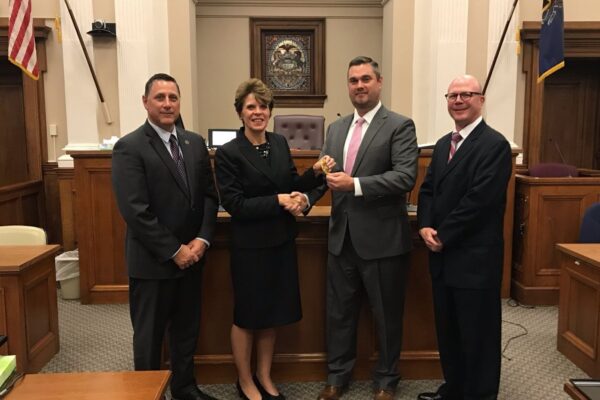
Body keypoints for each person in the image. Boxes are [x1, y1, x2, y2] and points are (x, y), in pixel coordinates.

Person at [214, 78, 335, 400]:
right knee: (247, 316)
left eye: (263, 106)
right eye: (251, 106)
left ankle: (264, 376)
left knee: (272, 315)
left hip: (281, 242)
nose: (258, 112)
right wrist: (280, 200)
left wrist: (315, 174)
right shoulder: (228, 153)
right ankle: (245, 381)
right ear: (240, 111)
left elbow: (291, 181)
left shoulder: (279, 143)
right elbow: (235, 205)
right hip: (250, 246)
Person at [309, 56, 418, 400]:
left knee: (386, 316)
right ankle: (337, 375)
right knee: (338, 313)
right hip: (341, 239)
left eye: (366, 79)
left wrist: (355, 184)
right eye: (353, 80)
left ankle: (387, 379)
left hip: (382, 240)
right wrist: (304, 195)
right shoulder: (336, 129)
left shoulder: (399, 125)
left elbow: (405, 177)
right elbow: (326, 176)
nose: (359, 85)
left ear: (379, 82)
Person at [112, 73, 219, 400]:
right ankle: (148, 394)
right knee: (149, 337)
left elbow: (209, 197)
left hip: (192, 258)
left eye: (173, 97)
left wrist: (201, 240)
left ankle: (185, 389)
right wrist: (174, 250)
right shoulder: (129, 147)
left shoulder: (194, 142)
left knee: (186, 331)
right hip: (153, 263)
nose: (168, 104)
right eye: (160, 97)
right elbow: (135, 210)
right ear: (145, 102)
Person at [417, 75, 512, 400]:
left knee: (478, 336)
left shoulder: (495, 145)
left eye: (466, 95)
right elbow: (428, 190)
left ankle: (479, 395)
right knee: (450, 333)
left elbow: (480, 201)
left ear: (481, 100)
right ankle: (453, 390)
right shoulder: (444, 144)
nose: (458, 100)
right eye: (452, 95)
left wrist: (443, 234)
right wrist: (424, 225)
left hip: (474, 260)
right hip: (442, 258)